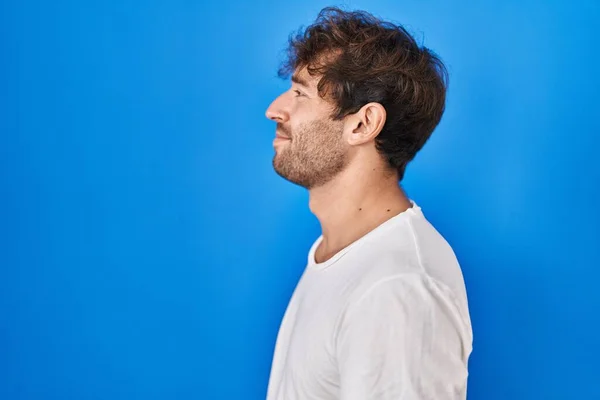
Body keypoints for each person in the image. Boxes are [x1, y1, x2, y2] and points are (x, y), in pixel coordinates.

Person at [264, 7, 472, 400]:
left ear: (362, 124)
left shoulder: (398, 288)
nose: (274, 109)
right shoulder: (342, 254)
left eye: (299, 93)